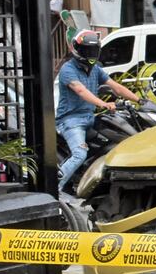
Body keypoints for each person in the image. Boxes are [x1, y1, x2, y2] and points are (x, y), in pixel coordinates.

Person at [57, 30, 139, 191]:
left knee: (113, 143)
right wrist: (104, 104)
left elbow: (115, 86)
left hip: (90, 117)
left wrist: (139, 100)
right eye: (87, 50)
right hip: (71, 120)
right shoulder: (68, 69)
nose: (91, 54)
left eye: (93, 50)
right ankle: (55, 189)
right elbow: (81, 91)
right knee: (80, 154)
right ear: (78, 50)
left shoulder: (95, 69)